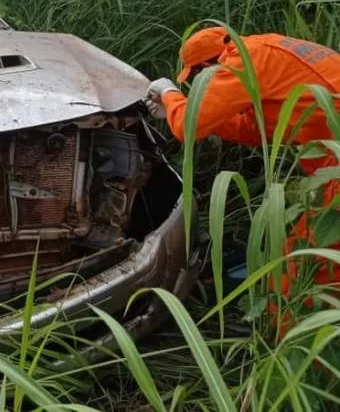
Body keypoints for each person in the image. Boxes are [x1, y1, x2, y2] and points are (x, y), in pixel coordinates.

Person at [145, 27, 339, 334]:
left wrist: (171, 95)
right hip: (332, 165)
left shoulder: (241, 61)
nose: (201, 85)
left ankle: (290, 352)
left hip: (336, 173)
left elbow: (188, 126)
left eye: (197, 78)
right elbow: (251, 127)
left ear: (207, 67)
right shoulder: (264, 53)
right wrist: (175, 109)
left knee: (301, 266)